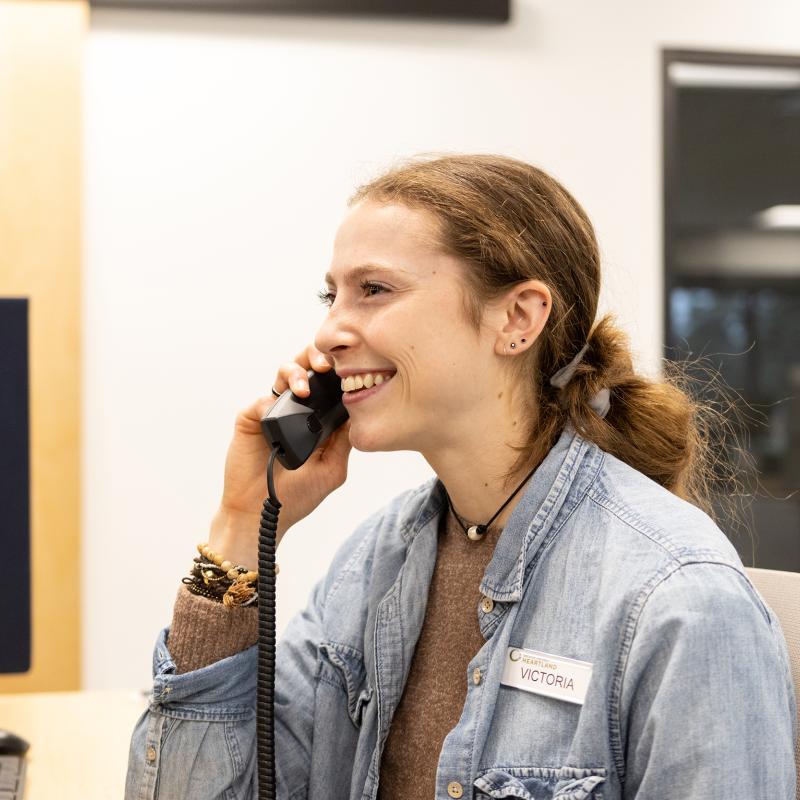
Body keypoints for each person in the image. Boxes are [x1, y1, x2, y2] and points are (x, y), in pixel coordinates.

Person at [125, 154, 796, 800]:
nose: (329, 332)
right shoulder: (374, 564)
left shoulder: (679, 597)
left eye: (374, 290)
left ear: (517, 319)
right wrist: (243, 521)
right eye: (333, 295)